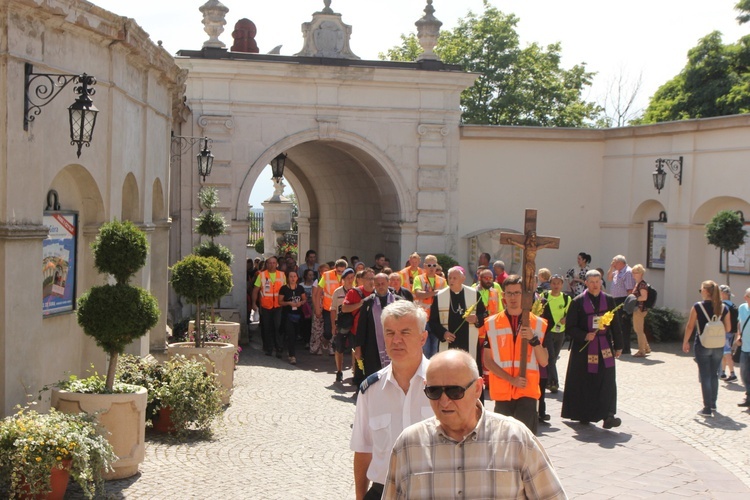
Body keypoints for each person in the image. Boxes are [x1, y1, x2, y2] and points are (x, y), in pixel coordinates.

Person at [383, 350, 567, 500]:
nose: (444, 401)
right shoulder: (408, 445)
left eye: (455, 391)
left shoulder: (516, 439)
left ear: (478, 388)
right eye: (434, 391)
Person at [350, 300, 432, 500]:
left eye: (405, 333)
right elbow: (363, 450)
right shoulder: (370, 390)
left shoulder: (446, 384)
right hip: (383, 492)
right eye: (390, 333)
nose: (396, 340)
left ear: (423, 338)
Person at [481, 275, 549, 434]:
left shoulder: (538, 324)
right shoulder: (491, 323)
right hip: (503, 393)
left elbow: (544, 361)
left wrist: (533, 339)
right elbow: (488, 361)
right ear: (503, 296)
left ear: (524, 295)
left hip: (527, 391)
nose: (513, 297)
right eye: (509, 293)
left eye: (517, 293)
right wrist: (512, 380)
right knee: (502, 444)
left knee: (525, 444)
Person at [561, 270, 624, 429]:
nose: (595, 285)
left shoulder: (609, 300)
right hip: (584, 349)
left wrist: (619, 346)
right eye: (592, 282)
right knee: (586, 381)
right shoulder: (577, 302)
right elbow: (570, 328)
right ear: (586, 283)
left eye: (598, 281)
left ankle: (608, 415)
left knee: (607, 380)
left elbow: (615, 325)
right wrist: (584, 335)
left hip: (604, 347)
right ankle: (585, 413)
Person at [682, 280, 731, 417]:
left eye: (701, 289)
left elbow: (690, 326)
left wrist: (685, 341)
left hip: (703, 343)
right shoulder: (723, 308)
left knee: (705, 375)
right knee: (714, 374)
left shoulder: (698, 307)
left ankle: (707, 408)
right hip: (718, 345)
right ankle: (713, 404)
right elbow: (728, 328)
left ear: (705, 291)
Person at [429, 266, 486, 367]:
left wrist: (477, 319)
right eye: (449, 278)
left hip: (468, 342)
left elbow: (485, 314)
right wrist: (443, 333)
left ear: (462, 279)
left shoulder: (474, 294)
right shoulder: (439, 296)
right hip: (449, 341)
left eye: (454, 278)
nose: (451, 280)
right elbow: (433, 322)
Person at [355, 273, 401, 377]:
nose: (380, 286)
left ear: (388, 283)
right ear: (374, 285)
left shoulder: (398, 301)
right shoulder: (368, 302)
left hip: (395, 343)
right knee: (373, 374)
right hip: (372, 345)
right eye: (377, 284)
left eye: (383, 283)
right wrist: (358, 347)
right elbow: (361, 326)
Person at [251, 256, 287, 357]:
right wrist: (254, 303)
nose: (272, 265)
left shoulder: (282, 275)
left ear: (277, 264)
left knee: (278, 327)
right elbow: (255, 290)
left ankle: (279, 348)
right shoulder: (261, 275)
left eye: (274, 263)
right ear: (267, 264)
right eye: (270, 263)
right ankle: (268, 348)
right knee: (267, 328)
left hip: (278, 306)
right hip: (266, 306)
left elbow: (285, 290)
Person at [540, 274, 570, 394]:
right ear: (550, 284)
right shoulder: (545, 296)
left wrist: (566, 318)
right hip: (547, 331)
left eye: (558, 283)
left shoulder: (566, 298)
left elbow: (571, 313)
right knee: (551, 357)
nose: (556, 286)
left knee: (554, 357)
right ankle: (554, 383)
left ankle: (547, 379)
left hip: (560, 332)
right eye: (554, 283)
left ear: (562, 285)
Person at [412, 254, 447, 358]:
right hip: (423, 319)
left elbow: (446, 296)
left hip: (437, 319)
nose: (432, 268)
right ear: (424, 266)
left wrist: (431, 293)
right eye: (429, 265)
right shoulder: (419, 278)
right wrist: (436, 292)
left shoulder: (442, 280)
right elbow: (418, 294)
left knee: (435, 350)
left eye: (434, 265)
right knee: (425, 349)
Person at [314, 258, 348, 354]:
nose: (341, 273)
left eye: (343, 271)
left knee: (341, 331)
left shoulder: (349, 276)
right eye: (338, 271)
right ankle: (325, 340)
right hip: (328, 308)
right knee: (328, 332)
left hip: (343, 309)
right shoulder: (326, 275)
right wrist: (317, 308)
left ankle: (337, 349)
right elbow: (318, 293)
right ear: (334, 268)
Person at [331, 268, 358, 383]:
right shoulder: (337, 292)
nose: (350, 280)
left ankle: (355, 371)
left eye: (352, 278)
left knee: (355, 348)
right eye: (348, 278)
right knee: (339, 348)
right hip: (341, 323)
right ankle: (339, 371)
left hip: (354, 323)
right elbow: (333, 309)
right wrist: (333, 325)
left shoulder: (357, 291)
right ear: (343, 279)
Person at [607, 255, 635, 354]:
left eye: (614, 262)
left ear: (620, 262)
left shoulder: (627, 272)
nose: (613, 263)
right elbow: (609, 277)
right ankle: (618, 345)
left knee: (623, 325)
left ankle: (625, 348)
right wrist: (611, 267)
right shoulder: (617, 271)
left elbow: (630, 289)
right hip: (615, 300)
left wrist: (627, 305)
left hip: (623, 300)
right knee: (616, 324)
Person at [278, 270, 306, 365]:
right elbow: (280, 302)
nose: (293, 278)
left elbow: (304, 299)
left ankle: (290, 351)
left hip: (298, 315)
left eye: (294, 276)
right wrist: (289, 303)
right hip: (287, 315)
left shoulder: (300, 288)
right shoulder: (284, 289)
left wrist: (300, 303)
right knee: (291, 334)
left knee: (296, 335)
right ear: (288, 278)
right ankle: (292, 356)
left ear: (297, 277)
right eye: (291, 276)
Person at [630, 264, 652, 358]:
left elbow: (644, 297)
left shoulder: (642, 284)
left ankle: (641, 351)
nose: (633, 274)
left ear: (641, 273)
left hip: (639, 309)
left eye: (635, 272)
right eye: (633, 272)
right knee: (639, 329)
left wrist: (634, 299)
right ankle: (646, 348)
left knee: (638, 330)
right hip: (639, 309)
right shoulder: (638, 283)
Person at [309, 263, 331, 355]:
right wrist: (316, 308)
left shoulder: (331, 281)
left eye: (327, 271)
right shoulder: (317, 281)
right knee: (317, 328)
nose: (325, 273)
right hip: (319, 305)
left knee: (329, 328)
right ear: (320, 272)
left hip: (328, 306)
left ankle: (330, 347)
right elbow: (314, 295)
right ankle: (316, 348)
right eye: (324, 271)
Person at [719, 284, 739, 381]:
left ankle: (732, 374)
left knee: (727, 353)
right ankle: (722, 372)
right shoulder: (732, 305)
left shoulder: (722, 305)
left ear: (723, 293)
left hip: (724, 332)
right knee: (725, 352)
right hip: (731, 331)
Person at [736, 287, 750, 407]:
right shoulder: (742, 308)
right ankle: (748, 396)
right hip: (745, 346)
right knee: (744, 374)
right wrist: (738, 335)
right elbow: (740, 322)